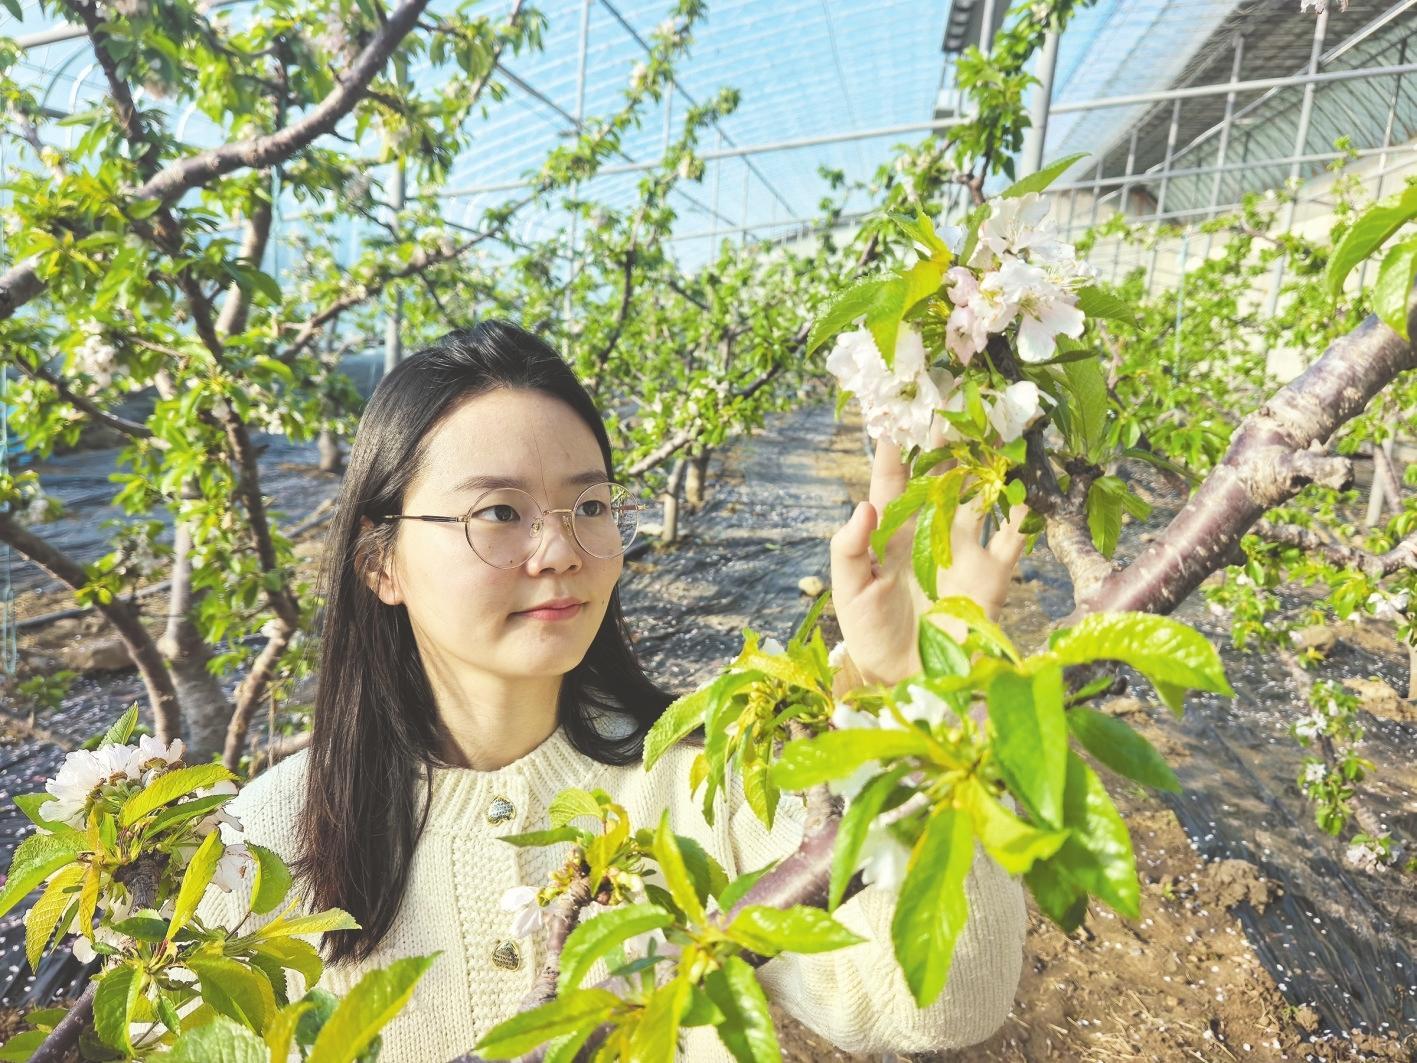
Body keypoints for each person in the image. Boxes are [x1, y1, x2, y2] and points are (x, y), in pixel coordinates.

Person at [198, 319, 1031, 1060]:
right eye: (498, 512)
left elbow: (933, 1003)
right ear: (381, 562)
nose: (561, 549)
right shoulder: (263, 844)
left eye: (588, 503)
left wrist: (908, 706)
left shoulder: (702, 777)